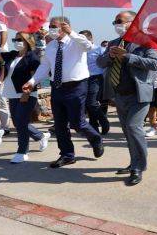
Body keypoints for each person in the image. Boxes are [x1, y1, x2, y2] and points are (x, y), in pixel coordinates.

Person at [22, 16, 104, 168]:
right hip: (57, 86)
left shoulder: (77, 41)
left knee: (77, 122)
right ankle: (67, 155)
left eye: (54, 26)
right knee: (59, 124)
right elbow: (45, 66)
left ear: (64, 26)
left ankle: (95, 138)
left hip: (76, 86)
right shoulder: (51, 46)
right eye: (50, 26)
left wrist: (71, 32)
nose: (51, 29)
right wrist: (32, 81)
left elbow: (88, 46)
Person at [97, 10, 157, 186]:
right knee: (128, 132)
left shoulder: (146, 42)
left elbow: (155, 64)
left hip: (138, 95)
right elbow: (100, 63)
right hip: (119, 95)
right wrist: (110, 55)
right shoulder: (113, 43)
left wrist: (127, 56)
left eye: (120, 21)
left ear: (133, 23)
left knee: (133, 128)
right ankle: (134, 162)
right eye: (115, 21)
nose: (117, 24)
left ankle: (138, 168)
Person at [0, 32, 51, 163]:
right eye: (14, 39)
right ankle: (41, 136)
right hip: (12, 94)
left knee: (21, 122)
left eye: (19, 39)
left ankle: (22, 151)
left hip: (26, 94)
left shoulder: (32, 57)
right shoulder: (12, 54)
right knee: (18, 123)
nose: (16, 41)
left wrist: (26, 94)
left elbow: (35, 78)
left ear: (27, 41)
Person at [79, 30, 110, 135]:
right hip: (82, 79)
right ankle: (94, 127)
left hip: (96, 78)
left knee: (91, 102)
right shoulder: (79, 50)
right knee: (87, 104)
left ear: (90, 39)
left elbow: (107, 64)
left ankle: (103, 121)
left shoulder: (100, 49)